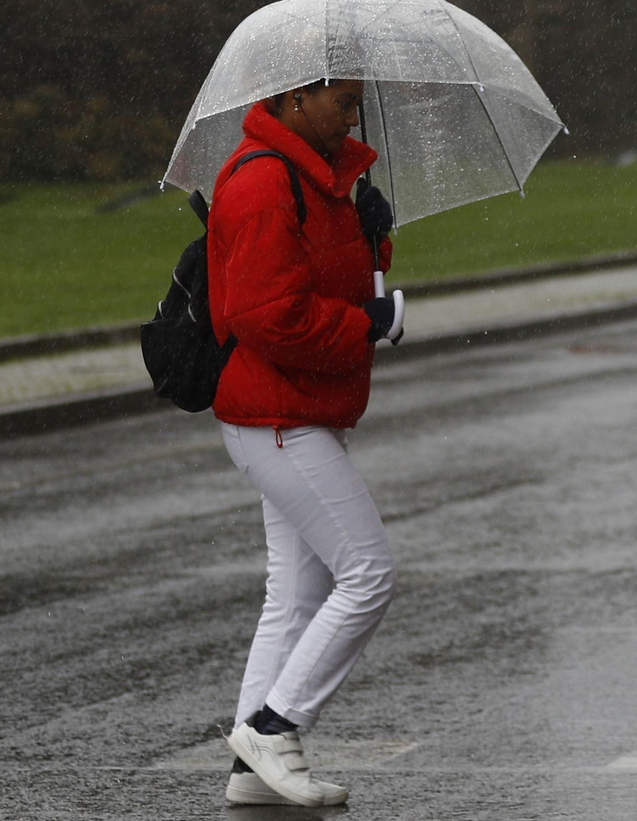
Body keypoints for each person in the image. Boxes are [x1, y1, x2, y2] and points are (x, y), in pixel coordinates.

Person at [207, 78, 400, 808]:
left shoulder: (320, 181)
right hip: (277, 416)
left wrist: (372, 232)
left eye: (355, 101)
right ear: (293, 98)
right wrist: (369, 325)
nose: (353, 113)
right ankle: (274, 726)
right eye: (342, 100)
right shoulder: (263, 181)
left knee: (295, 595)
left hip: (295, 409)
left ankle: (253, 773)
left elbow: (332, 277)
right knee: (368, 573)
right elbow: (266, 314)